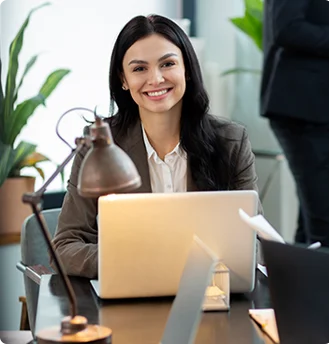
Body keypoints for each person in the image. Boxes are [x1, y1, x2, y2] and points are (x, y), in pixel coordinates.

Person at [52, 14, 261, 278]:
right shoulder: (101, 146)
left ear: (186, 68)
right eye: (139, 69)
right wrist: (134, 263)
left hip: (209, 296)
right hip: (129, 299)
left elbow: (255, 241)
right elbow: (65, 246)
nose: (156, 79)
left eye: (168, 64)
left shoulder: (231, 141)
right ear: (123, 79)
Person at [261, 0, 329, 247]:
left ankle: (299, 284)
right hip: (304, 108)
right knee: (325, 220)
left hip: (317, 108)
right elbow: (286, 27)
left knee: (315, 216)